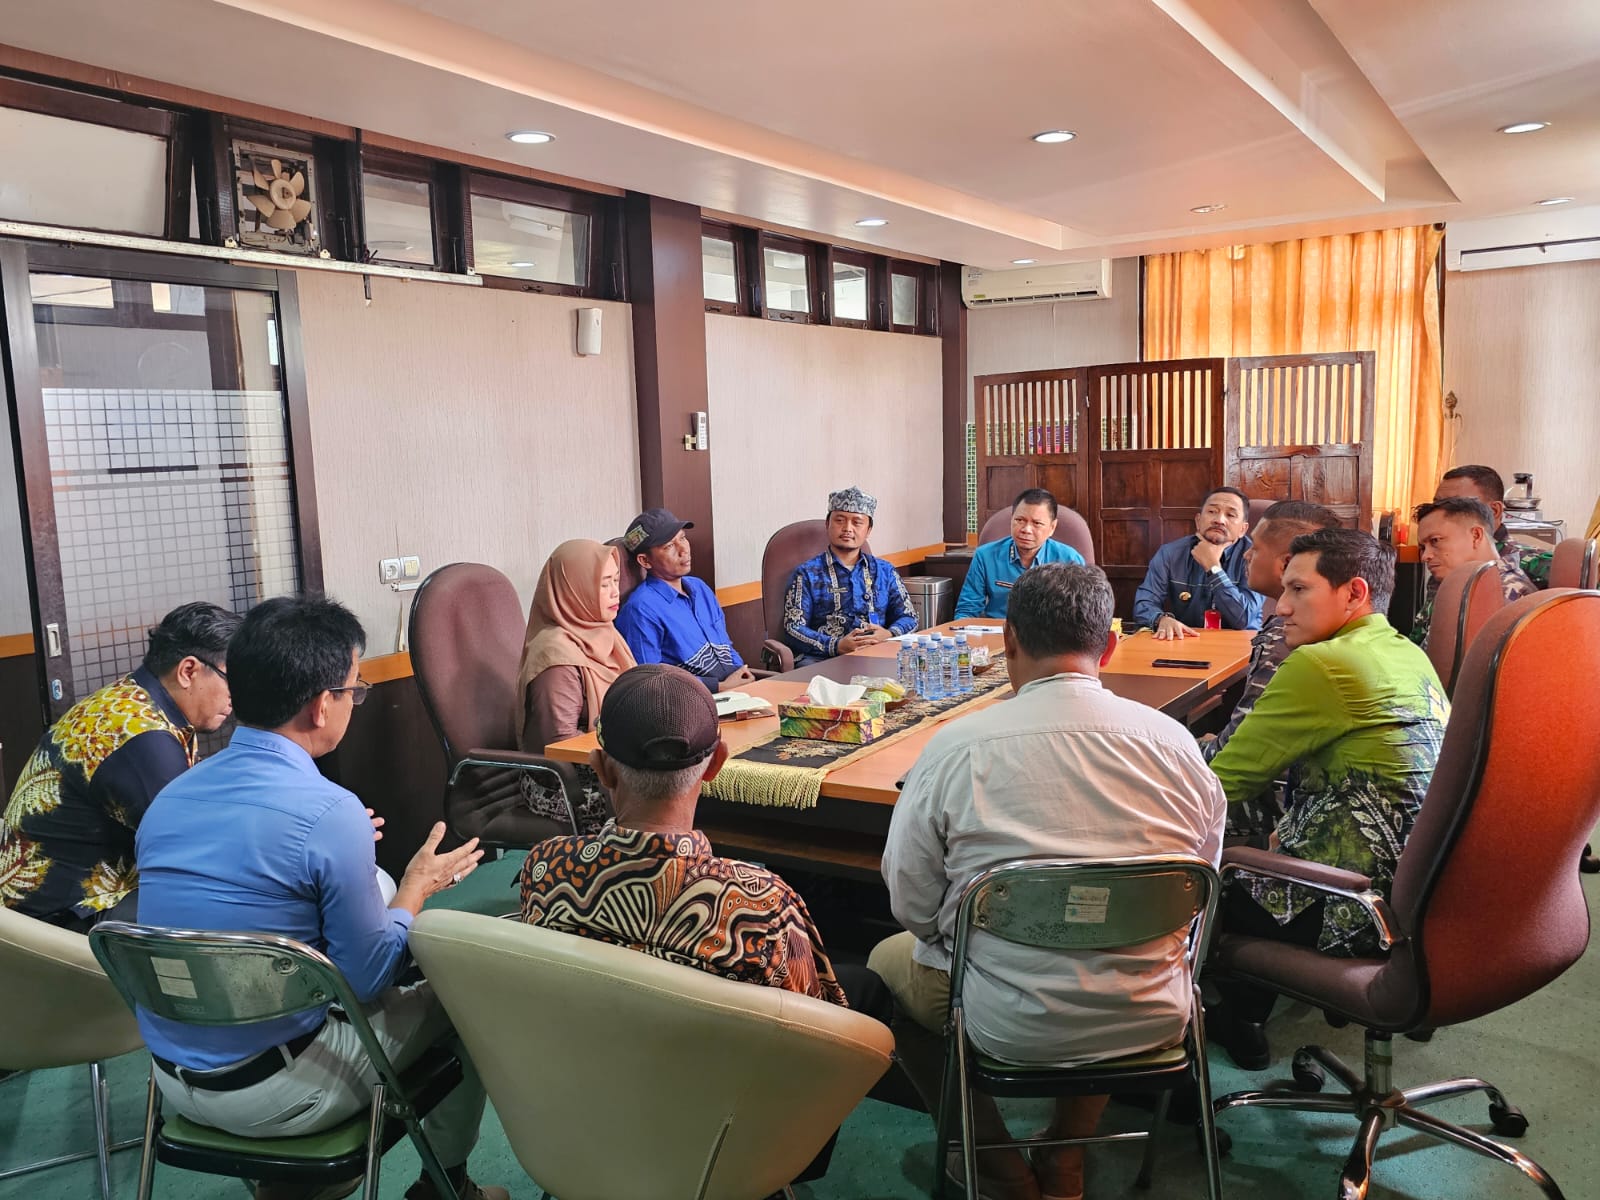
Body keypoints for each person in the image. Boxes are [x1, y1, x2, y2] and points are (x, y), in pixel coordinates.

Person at [871, 564, 1226, 1200]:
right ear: (1110, 645)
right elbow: (1196, 888)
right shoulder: (1177, 747)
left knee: (883, 962)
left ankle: (996, 1163)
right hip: (1151, 1012)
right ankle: (1066, 1157)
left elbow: (912, 904)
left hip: (1001, 1019)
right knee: (1109, 947)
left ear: (1008, 641)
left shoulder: (957, 749)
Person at [135, 596, 503, 1200]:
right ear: (319, 705)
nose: (353, 704)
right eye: (354, 692)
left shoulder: (171, 798)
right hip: (279, 1088)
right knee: (461, 1000)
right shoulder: (330, 811)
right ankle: (447, 1188)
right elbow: (367, 980)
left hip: (174, 1082)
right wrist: (415, 888)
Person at [518, 664, 889, 1196]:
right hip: (727, 1145)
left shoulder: (544, 870)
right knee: (865, 991)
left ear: (600, 767)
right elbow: (823, 1030)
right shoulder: (760, 902)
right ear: (716, 763)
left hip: (580, 1114)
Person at [1207, 529, 1448, 1070]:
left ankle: (1215, 1027)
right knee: (1268, 844)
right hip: (1429, 895)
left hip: (1357, 905)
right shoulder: (1406, 651)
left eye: (1299, 590)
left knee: (1189, 885)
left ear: (1354, 592)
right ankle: (1245, 1015)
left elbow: (1218, 788)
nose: (1282, 606)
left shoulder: (1323, 664)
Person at [0, 602, 239, 931]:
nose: (236, 697)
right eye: (233, 679)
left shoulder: (135, 702)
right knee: (224, 900)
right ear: (188, 671)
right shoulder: (142, 739)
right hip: (60, 914)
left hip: (64, 897)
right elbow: (195, 850)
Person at [1202, 501, 1342, 845]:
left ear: (1284, 565)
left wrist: (1182, 749)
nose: (1247, 555)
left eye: (1255, 548)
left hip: (1274, 807)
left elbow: (1230, 759)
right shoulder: (1322, 622)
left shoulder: (1287, 637)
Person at [514, 539, 636, 833]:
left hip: (607, 762)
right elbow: (561, 744)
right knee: (661, 796)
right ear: (575, 590)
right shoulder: (556, 656)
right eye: (603, 584)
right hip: (564, 784)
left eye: (616, 581)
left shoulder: (603, 633)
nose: (614, 592)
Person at [614, 507, 755, 694]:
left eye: (682, 538)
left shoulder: (699, 588)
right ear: (645, 561)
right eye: (669, 546)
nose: (683, 550)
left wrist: (742, 672)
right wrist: (720, 687)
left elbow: (725, 646)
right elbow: (649, 682)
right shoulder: (641, 609)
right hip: (691, 704)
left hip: (740, 692)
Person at [782, 486, 918, 664]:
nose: (847, 528)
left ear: (868, 530)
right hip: (823, 659)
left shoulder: (885, 571)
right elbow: (793, 627)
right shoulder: (806, 574)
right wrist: (836, 645)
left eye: (857, 522)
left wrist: (889, 633)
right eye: (840, 520)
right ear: (827, 524)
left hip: (877, 653)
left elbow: (910, 617)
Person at [1132, 486, 1264, 638]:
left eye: (1230, 515)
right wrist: (1161, 619)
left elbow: (1243, 619)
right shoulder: (1170, 554)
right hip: (1187, 642)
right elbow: (1144, 603)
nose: (1219, 520)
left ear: (1243, 529)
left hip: (1242, 647)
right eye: (1212, 512)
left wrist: (1213, 568)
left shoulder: (1255, 557)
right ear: (1198, 521)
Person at [1407, 496, 1537, 646]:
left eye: (1435, 540)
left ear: (1476, 536)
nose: (1425, 556)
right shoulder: (1462, 585)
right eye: (1423, 547)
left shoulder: (1500, 593)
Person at [954, 488, 1086, 619]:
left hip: (1050, 636)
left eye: (1037, 523)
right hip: (1000, 633)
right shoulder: (985, 556)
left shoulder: (1070, 560)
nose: (1026, 529)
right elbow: (967, 610)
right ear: (1011, 519)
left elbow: (1082, 614)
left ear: (1052, 527)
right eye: (1020, 520)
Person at [1433, 464, 1550, 586]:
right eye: (1436, 505)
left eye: (1455, 506)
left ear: (1494, 511)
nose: (1440, 514)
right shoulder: (1441, 558)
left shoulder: (1534, 564)